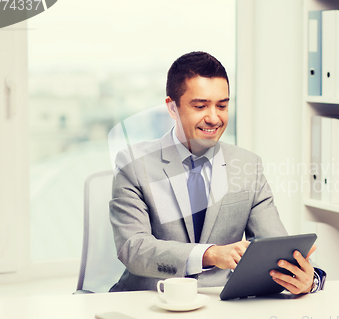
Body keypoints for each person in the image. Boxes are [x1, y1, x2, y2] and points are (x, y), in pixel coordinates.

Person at [109, 51, 325, 295]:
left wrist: (307, 279)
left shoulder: (248, 166)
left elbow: (274, 250)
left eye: (222, 106)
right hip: (149, 300)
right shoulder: (134, 164)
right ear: (172, 107)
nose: (214, 118)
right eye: (200, 106)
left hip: (220, 302)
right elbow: (134, 249)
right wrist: (211, 254)